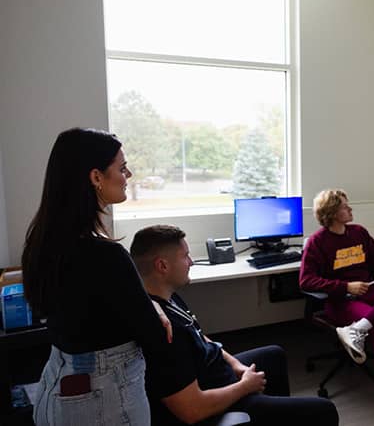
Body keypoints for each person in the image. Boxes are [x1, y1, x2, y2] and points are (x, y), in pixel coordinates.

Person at [22, 128, 175, 425]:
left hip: (55, 387)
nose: (128, 175)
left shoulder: (42, 242)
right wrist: (153, 306)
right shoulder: (106, 255)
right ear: (96, 178)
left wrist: (148, 305)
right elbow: (155, 336)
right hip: (103, 397)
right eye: (121, 167)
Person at [130, 225, 339, 426]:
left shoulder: (167, 298)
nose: (192, 262)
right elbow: (192, 410)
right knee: (324, 411)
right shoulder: (163, 330)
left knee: (274, 355)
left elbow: (200, 336)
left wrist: (236, 366)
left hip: (217, 374)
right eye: (185, 256)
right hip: (214, 402)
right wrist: (244, 387)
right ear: (162, 266)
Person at [299, 189, 374, 426]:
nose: (351, 209)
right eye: (346, 206)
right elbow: (306, 281)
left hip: (372, 292)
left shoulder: (359, 232)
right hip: (343, 301)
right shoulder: (317, 242)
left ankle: (360, 328)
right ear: (332, 213)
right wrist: (346, 286)